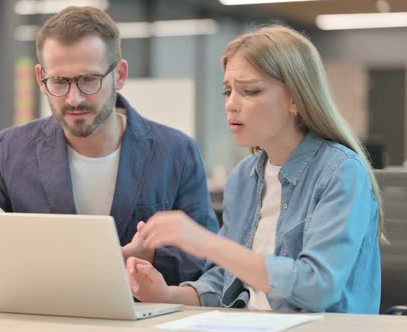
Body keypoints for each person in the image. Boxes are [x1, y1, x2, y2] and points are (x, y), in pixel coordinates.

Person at [0, 6, 218, 286]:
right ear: (41, 79)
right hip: (41, 317)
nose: (73, 98)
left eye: (88, 79)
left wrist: (153, 257)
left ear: (120, 75)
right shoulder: (10, 150)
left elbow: (209, 258)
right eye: (59, 81)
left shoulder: (176, 151)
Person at [127, 25, 384, 314]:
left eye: (250, 91)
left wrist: (206, 243)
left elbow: (317, 288)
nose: (231, 105)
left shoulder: (341, 172)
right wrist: (166, 294)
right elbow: (222, 282)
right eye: (227, 91)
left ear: (295, 98)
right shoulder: (244, 177)